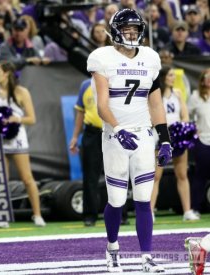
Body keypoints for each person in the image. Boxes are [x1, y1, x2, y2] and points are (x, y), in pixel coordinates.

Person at [88, 9, 171, 273]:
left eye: (135, 30)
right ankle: (112, 248)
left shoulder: (150, 58)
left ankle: (146, 257)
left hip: (144, 133)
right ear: (115, 32)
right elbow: (102, 104)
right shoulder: (102, 58)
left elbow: (155, 102)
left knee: (144, 198)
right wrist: (118, 128)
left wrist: (165, 139)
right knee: (116, 199)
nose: (132, 34)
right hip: (115, 135)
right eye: (127, 30)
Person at [0, 61, 45, 228]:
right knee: (1, 180)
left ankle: (37, 215)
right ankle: (2, 217)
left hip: (18, 139)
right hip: (0, 138)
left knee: (27, 178)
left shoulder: (22, 92)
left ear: (7, 73)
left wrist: (16, 119)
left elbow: (32, 118)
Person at [150, 66, 199, 222]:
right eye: (170, 75)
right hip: (160, 138)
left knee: (182, 175)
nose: (173, 78)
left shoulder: (177, 94)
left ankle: (187, 211)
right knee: (156, 176)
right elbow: (152, 117)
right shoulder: (154, 95)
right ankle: (149, 212)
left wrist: (179, 130)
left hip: (177, 139)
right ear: (163, 77)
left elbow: (184, 116)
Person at [185, 68, 210, 275]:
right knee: (200, 177)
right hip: (203, 142)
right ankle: (201, 245)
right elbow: (188, 116)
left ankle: (201, 246)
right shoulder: (195, 96)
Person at [69, 79, 104, 227]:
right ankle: (90, 215)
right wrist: (75, 136)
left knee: (117, 174)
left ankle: (120, 214)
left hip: (112, 132)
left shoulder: (114, 80)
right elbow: (80, 113)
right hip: (91, 133)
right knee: (90, 176)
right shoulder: (85, 85)